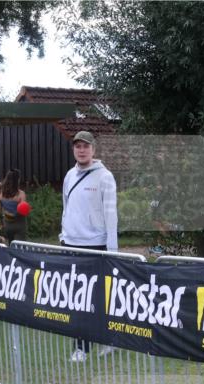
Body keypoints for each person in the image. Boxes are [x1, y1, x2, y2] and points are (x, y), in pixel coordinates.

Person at [59, 130, 118, 362]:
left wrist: (112, 250)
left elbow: (111, 215)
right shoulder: (69, 176)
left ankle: (108, 340)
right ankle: (81, 347)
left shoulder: (105, 177)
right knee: (75, 298)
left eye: (86, 146)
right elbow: (66, 207)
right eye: (77, 146)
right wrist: (63, 234)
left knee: (99, 298)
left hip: (97, 246)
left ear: (94, 149)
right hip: (71, 244)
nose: (81, 150)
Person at [0, 169, 28, 243]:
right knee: (20, 247)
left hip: (7, 224)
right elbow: (24, 212)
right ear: (17, 180)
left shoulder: (1, 195)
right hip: (19, 225)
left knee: (11, 245)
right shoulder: (21, 194)